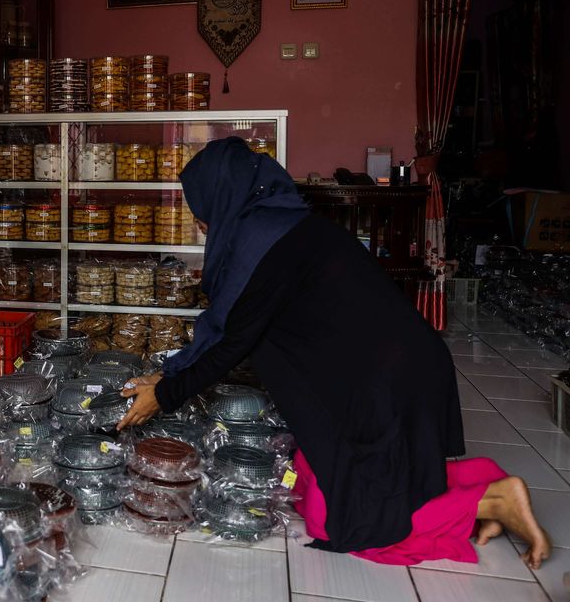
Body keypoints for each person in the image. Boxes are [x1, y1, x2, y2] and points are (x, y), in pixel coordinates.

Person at [117, 137, 551, 570]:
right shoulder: (279, 225)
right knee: (310, 483)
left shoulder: (263, 248)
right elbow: (231, 325)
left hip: (382, 387)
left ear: (224, 198)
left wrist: (168, 394)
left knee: (345, 523)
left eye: (202, 209)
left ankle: (488, 503)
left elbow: (234, 341)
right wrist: (168, 376)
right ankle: (486, 482)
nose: (200, 222)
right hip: (385, 371)